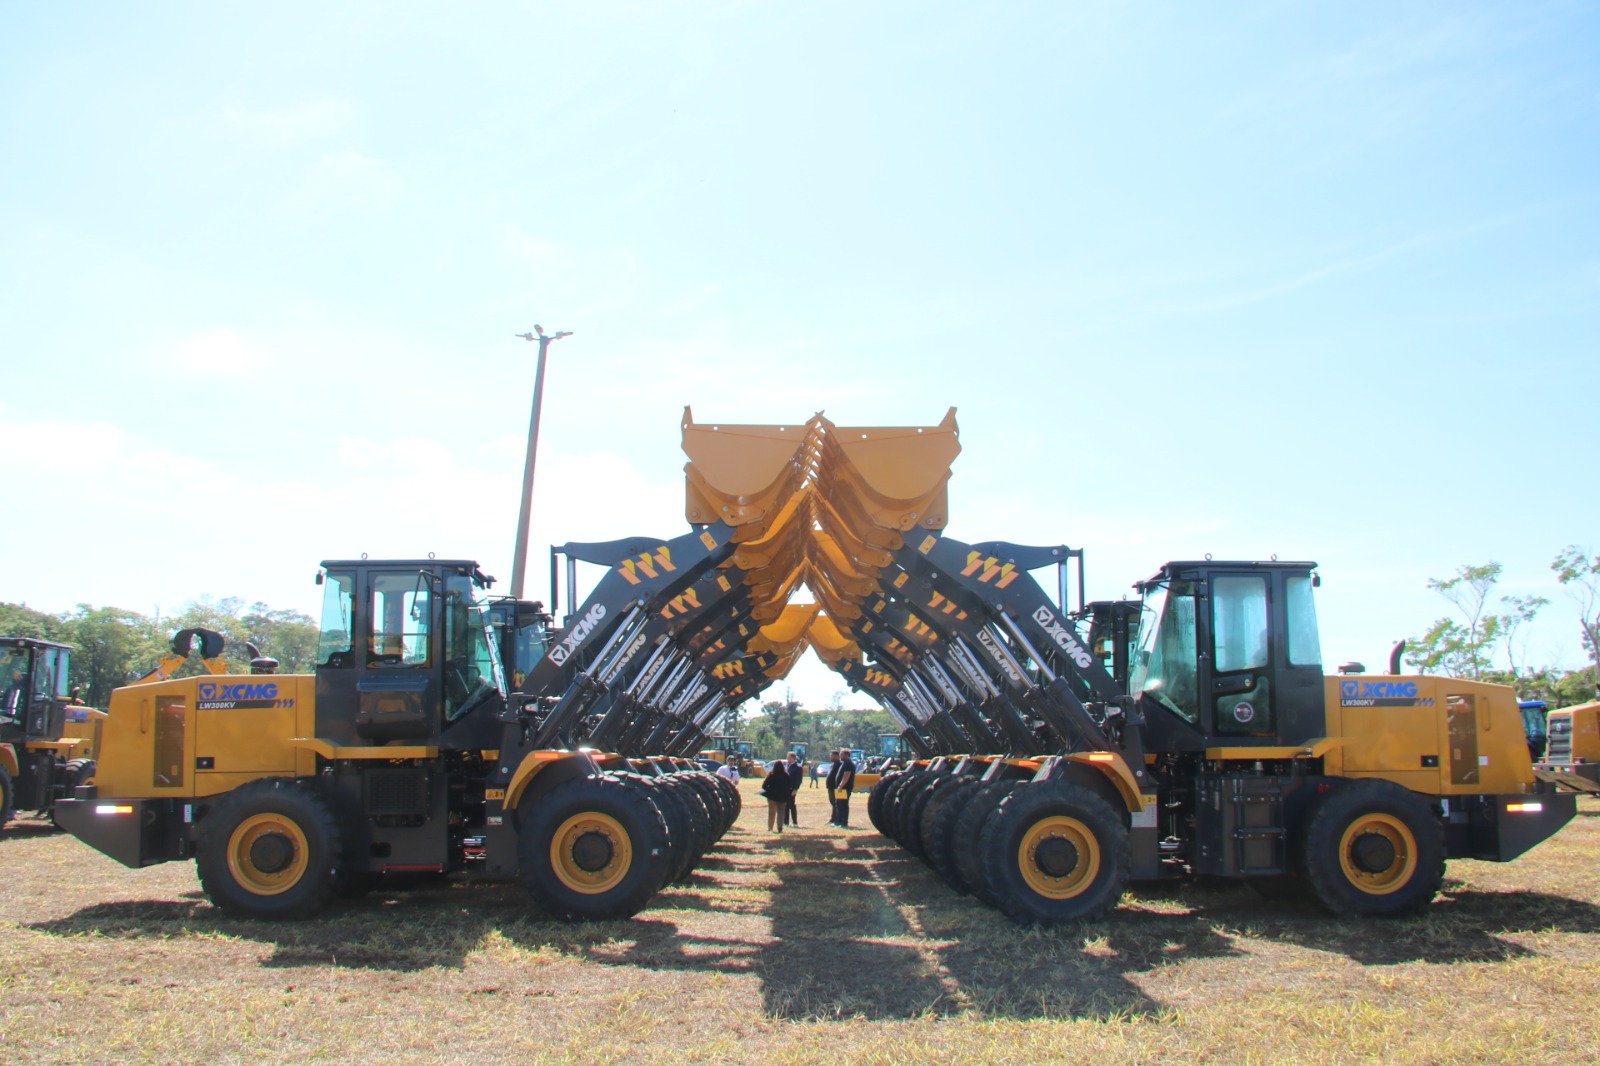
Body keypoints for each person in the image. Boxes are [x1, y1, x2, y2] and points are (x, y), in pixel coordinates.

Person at [759, 759, 796, 834]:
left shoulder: (771, 775)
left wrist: (769, 790)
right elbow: (790, 786)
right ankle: (780, 828)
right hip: (783, 797)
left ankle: (770, 828)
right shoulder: (786, 775)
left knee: (771, 813)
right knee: (781, 813)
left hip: (772, 797)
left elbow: (764, 786)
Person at [833, 749, 857, 828]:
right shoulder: (845, 763)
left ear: (846, 755)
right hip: (841, 788)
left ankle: (844, 822)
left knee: (843, 804)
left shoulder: (848, 764)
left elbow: (847, 775)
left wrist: (841, 785)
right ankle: (838, 821)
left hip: (844, 788)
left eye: (841, 754)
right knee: (839, 804)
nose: (840, 756)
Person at [783, 751, 803, 826]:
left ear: (792, 758)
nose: (787, 759)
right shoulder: (788, 766)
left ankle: (795, 822)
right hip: (786, 789)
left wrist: (795, 789)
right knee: (786, 805)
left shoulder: (798, 767)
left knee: (791, 805)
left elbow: (799, 780)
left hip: (792, 789)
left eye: (788, 758)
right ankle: (786, 822)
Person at [824, 749, 843, 825]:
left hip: (837, 787)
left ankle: (837, 819)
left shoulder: (840, 765)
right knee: (833, 803)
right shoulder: (833, 765)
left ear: (836, 756)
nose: (830, 757)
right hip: (830, 787)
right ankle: (833, 818)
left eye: (832, 755)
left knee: (838, 804)